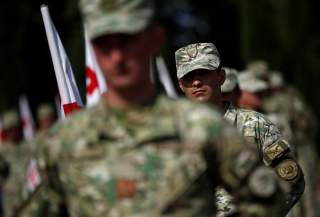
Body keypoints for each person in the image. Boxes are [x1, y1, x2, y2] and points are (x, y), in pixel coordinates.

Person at [10, 1, 271, 216]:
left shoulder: (204, 128)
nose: (117, 57)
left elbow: (266, 199)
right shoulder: (63, 142)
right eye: (104, 45)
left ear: (155, 40)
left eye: (127, 40)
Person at [175, 42, 305, 216]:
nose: (197, 82)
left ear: (221, 77)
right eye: (189, 77)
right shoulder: (171, 134)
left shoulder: (255, 125)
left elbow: (290, 178)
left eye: (204, 73)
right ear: (181, 85)